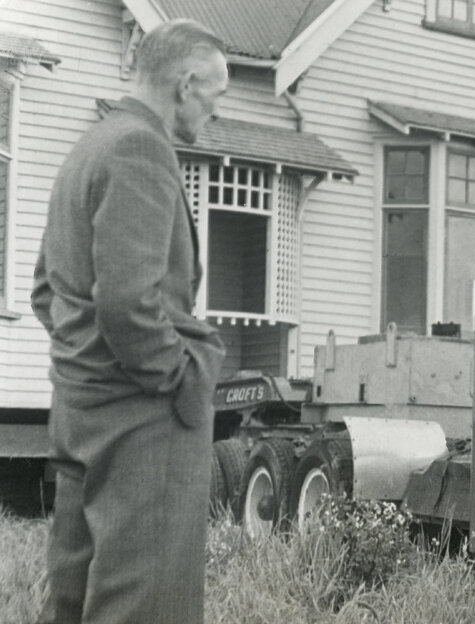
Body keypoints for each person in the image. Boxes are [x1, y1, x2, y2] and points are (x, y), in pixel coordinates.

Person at [31, 19, 228, 624]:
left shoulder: (91, 146)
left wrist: (85, 365)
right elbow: (125, 303)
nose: (215, 110)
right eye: (215, 94)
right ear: (186, 84)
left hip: (79, 412)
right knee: (145, 604)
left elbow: (45, 291)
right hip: (139, 421)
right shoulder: (141, 149)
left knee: (72, 597)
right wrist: (178, 378)